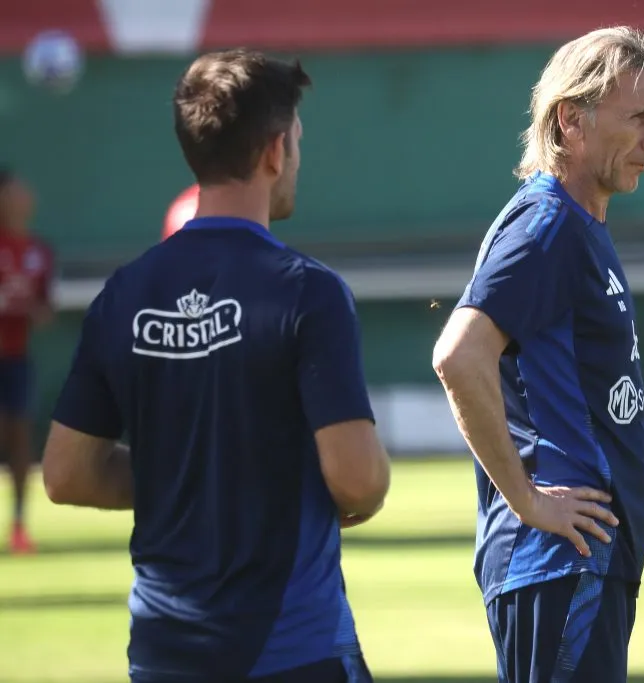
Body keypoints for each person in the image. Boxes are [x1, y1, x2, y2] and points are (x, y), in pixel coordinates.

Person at [41, 49, 389, 683]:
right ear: (275, 151)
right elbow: (358, 480)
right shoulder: (308, 292)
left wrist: (194, 479)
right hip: (290, 648)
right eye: (298, 142)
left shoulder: (123, 294)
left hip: (162, 654)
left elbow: (67, 474)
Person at [432, 27, 644, 683]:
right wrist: (529, 498)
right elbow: (458, 355)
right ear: (572, 119)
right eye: (640, 118)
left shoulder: (578, 224)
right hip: (562, 559)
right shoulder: (548, 225)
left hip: (581, 560)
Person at [0, 169, 55, 555]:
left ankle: (18, 524)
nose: (24, 196)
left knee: (20, 437)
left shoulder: (40, 251)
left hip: (16, 358)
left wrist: (35, 310)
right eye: (15, 190)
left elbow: (45, 307)